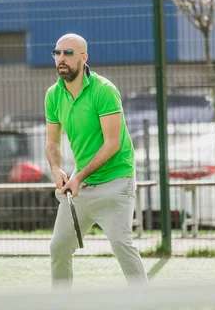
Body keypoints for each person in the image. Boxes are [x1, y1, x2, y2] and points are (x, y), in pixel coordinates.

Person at [44, 33, 147, 288]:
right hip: (82, 185)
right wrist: (56, 169)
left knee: (121, 244)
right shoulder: (53, 96)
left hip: (116, 180)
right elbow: (52, 142)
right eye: (57, 53)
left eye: (68, 53)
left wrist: (78, 176)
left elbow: (112, 143)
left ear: (83, 57)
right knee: (58, 248)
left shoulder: (104, 91)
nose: (61, 58)